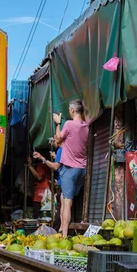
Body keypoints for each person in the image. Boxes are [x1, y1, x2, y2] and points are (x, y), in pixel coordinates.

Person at [53, 100, 89, 238]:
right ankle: (63, 229)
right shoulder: (87, 126)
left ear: (73, 111)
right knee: (64, 198)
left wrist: (57, 123)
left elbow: (57, 139)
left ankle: (65, 236)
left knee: (67, 202)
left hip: (69, 169)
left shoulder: (68, 124)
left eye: (69, 109)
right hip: (82, 169)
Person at [33, 140, 62, 226]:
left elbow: (39, 177)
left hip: (41, 193)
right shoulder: (50, 164)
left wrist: (30, 166)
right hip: (48, 190)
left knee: (39, 216)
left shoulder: (41, 165)